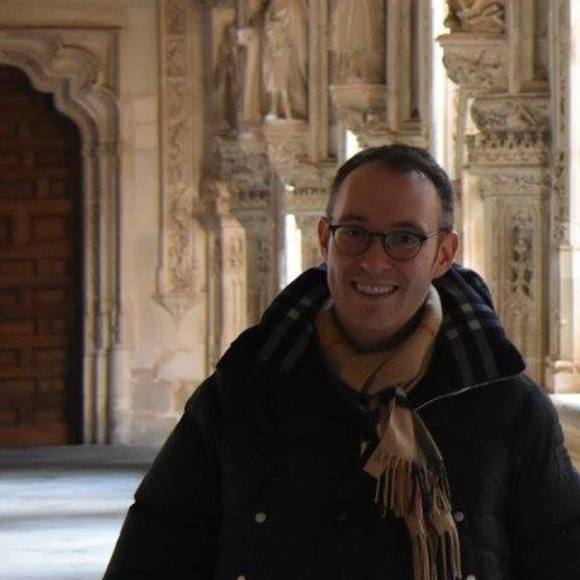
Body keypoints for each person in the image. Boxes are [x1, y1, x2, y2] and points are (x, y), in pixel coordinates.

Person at [104, 145, 580, 580]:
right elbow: (154, 555)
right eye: (354, 233)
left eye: (405, 239)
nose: (374, 261)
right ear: (324, 239)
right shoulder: (242, 396)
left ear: (443, 254)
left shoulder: (505, 406)